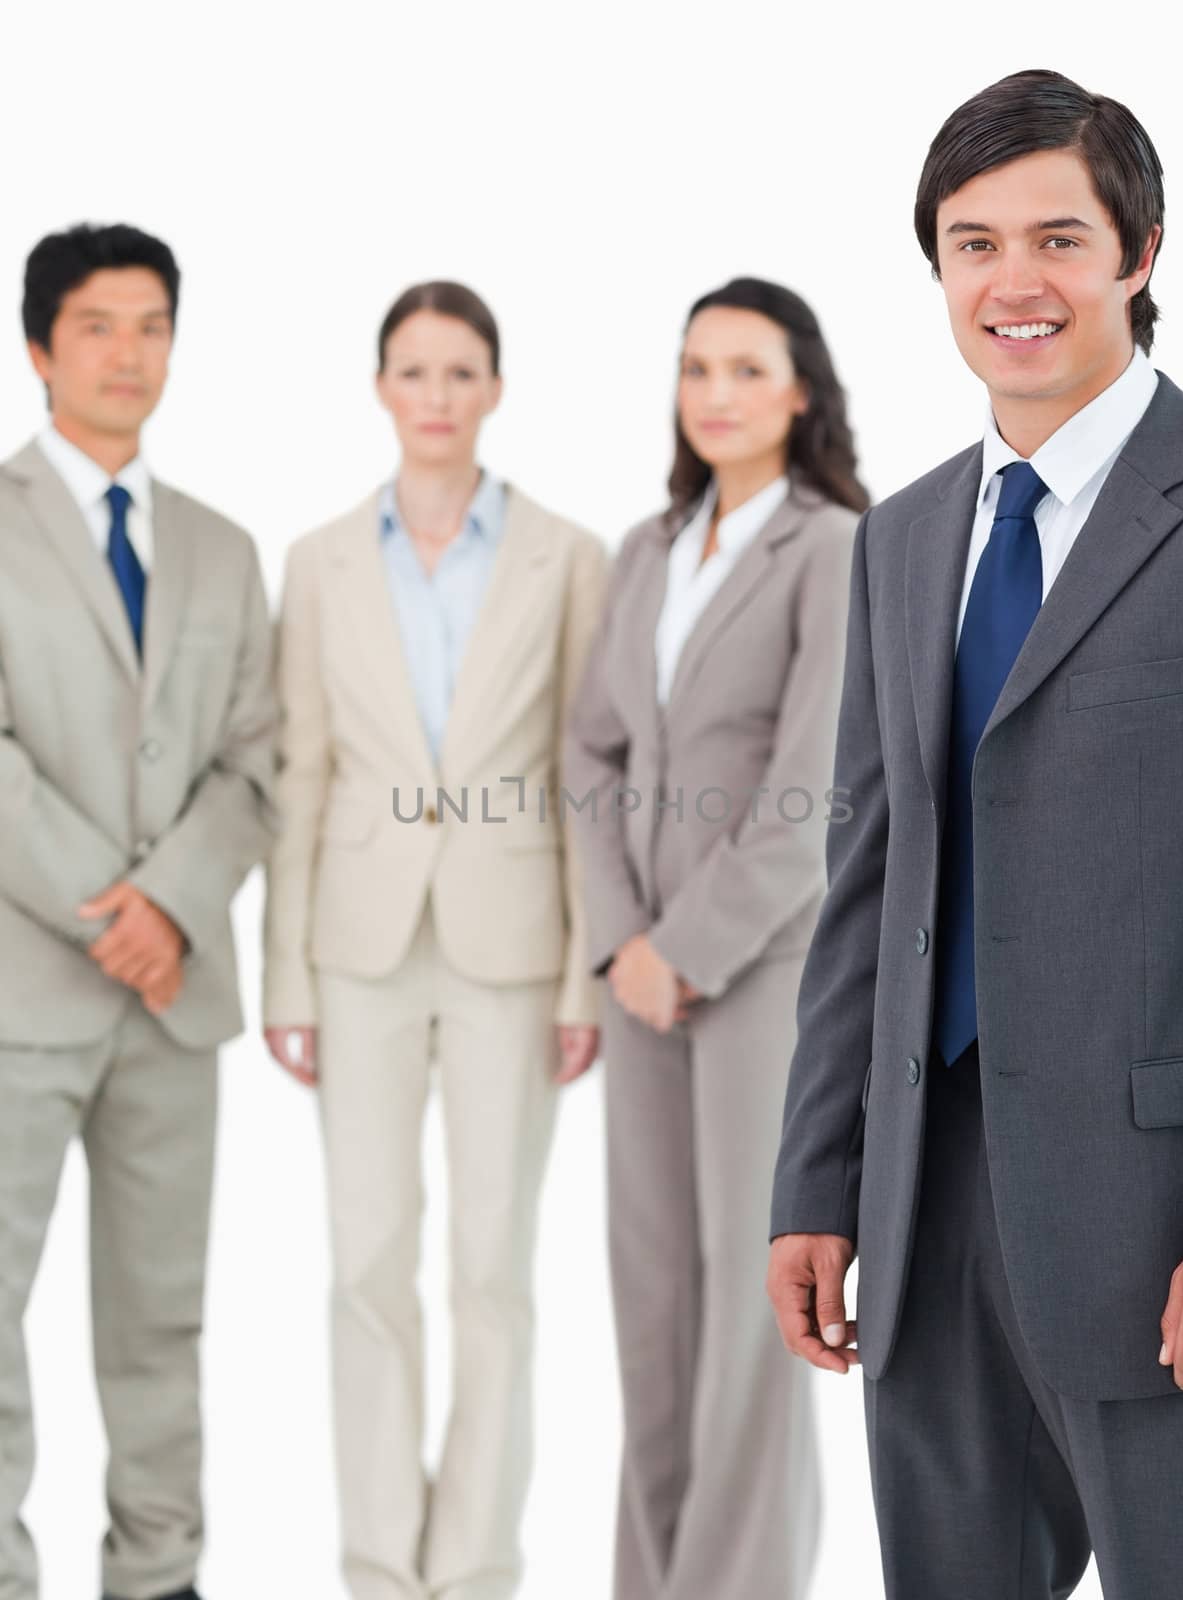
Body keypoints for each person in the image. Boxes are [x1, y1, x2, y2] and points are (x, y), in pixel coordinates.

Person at [769, 67, 1183, 1600]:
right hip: (922, 1218)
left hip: (1166, 1234)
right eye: (972, 245)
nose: (1012, 282)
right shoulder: (902, 536)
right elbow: (867, 881)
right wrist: (813, 1187)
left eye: (1054, 238)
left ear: (1139, 252)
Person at [262, 279, 608, 1600]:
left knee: (490, 1273)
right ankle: (375, 1566)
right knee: (364, 1265)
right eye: (414, 371)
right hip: (354, 943)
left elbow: (590, 773)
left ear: (496, 389)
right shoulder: (318, 558)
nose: (436, 397)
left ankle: (474, 1567)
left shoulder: (565, 553)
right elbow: (301, 771)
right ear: (379, 388)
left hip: (512, 944)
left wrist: (582, 964)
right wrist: (284, 969)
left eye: (461, 372)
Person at [566, 277, 866, 1600]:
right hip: (637, 984)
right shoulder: (647, 547)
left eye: (745, 369)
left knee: (748, 1319)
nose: (716, 395)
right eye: (695, 370)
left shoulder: (835, 547)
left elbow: (817, 793)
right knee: (651, 1308)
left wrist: (687, 946)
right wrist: (626, 940)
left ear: (799, 389)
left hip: (762, 980)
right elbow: (587, 749)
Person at [0, 223, 277, 1600]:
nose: (128, 351)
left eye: (152, 324)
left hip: (173, 1005)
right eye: (99, 325)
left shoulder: (224, 549)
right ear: (40, 346)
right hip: (21, 998)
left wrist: (165, 908)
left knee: (159, 1325)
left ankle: (159, 1579)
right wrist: (103, 906)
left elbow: (257, 756)